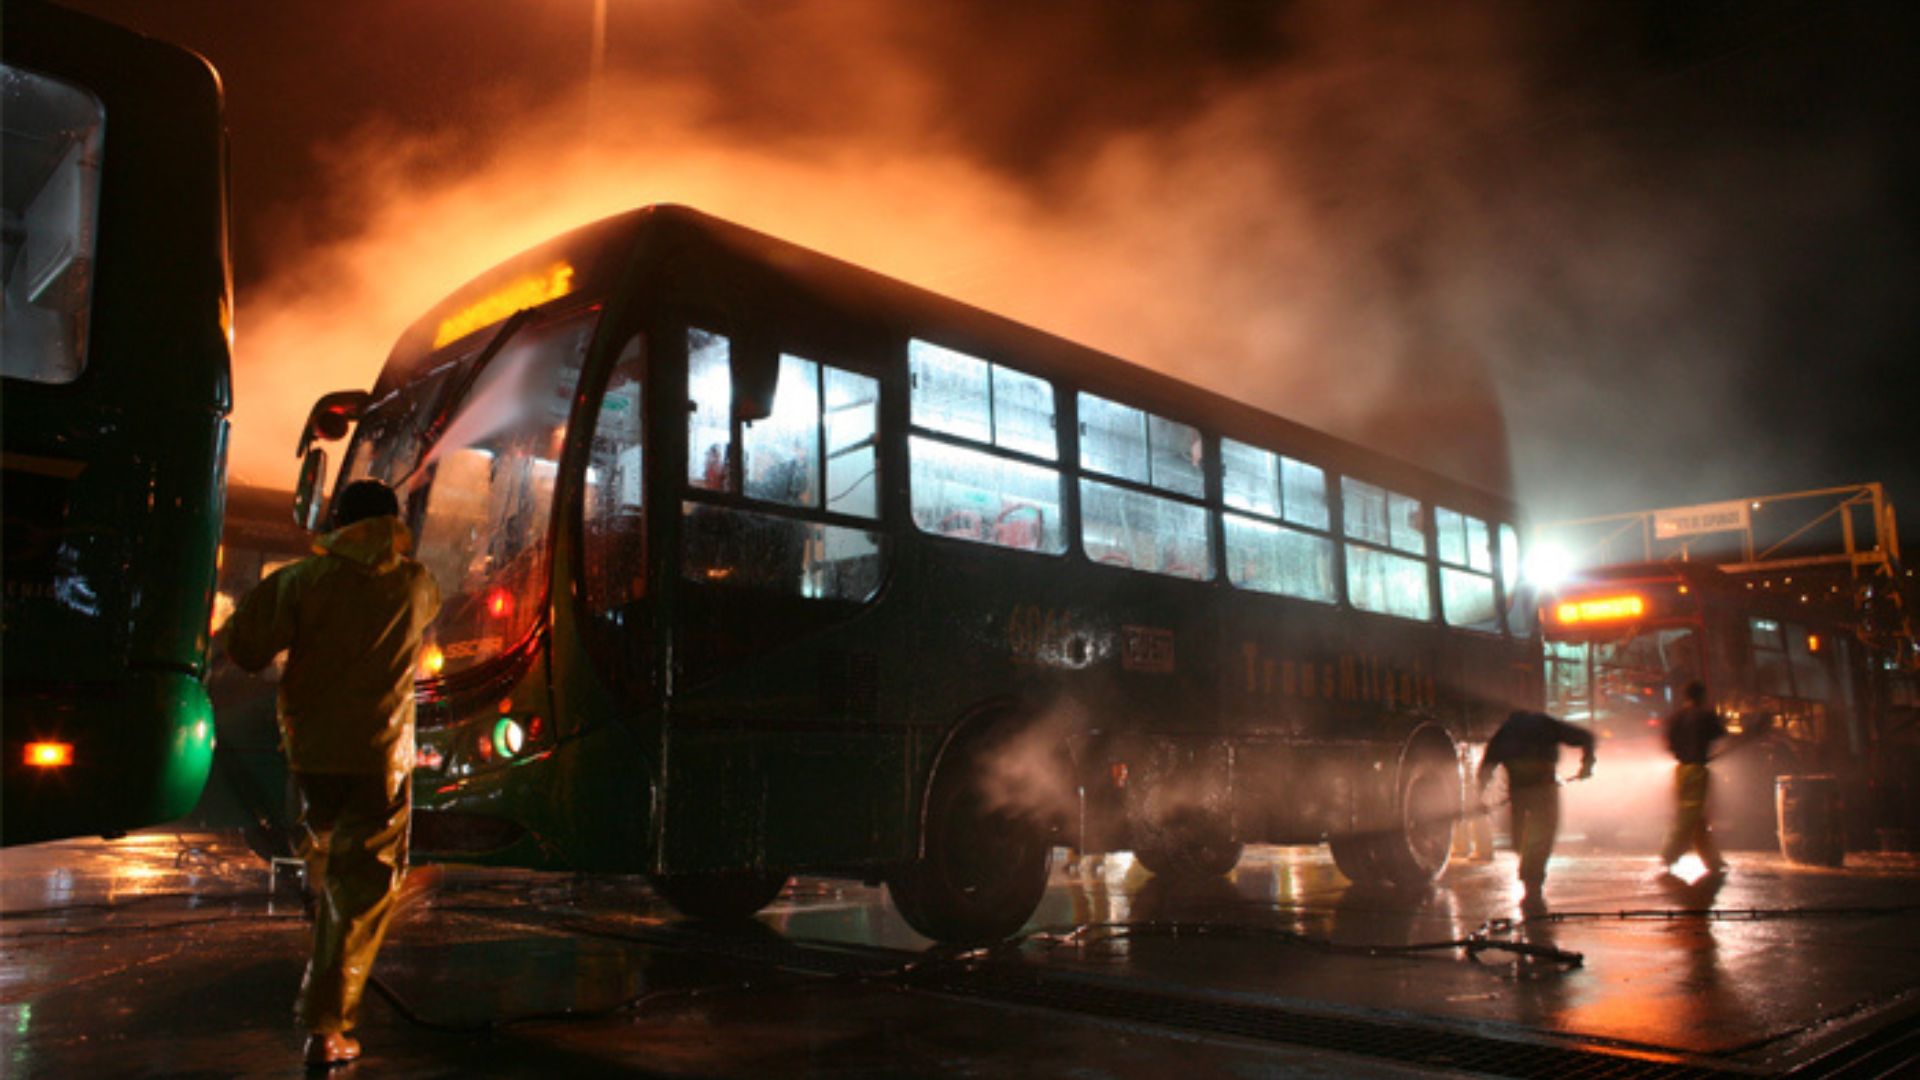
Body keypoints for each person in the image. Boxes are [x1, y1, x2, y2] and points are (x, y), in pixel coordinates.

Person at [227, 480, 441, 1067]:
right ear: (394, 525)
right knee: (359, 891)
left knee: (326, 866)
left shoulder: (301, 581)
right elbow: (427, 612)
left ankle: (326, 961)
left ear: (336, 524)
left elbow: (244, 648)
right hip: (379, 760)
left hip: (310, 756)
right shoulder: (417, 584)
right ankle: (326, 1027)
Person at [1476, 709, 1596, 911]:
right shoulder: (1546, 725)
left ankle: (1530, 880)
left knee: (1521, 838)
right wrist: (1587, 765)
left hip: (1520, 794)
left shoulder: (1505, 733)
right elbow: (1586, 738)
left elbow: (1486, 768)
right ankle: (1533, 882)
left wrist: (1479, 797)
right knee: (1541, 837)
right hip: (1544, 792)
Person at [1659, 680, 1729, 879]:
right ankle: (1670, 854)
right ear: (1701, 696)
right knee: (1691, 815)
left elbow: (1668, 743)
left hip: (1681, 770)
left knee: (1696, 816)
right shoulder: (1704, 716)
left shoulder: (1676, 717)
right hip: (1697, 770)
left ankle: (1712, 860)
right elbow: (1720, 733)